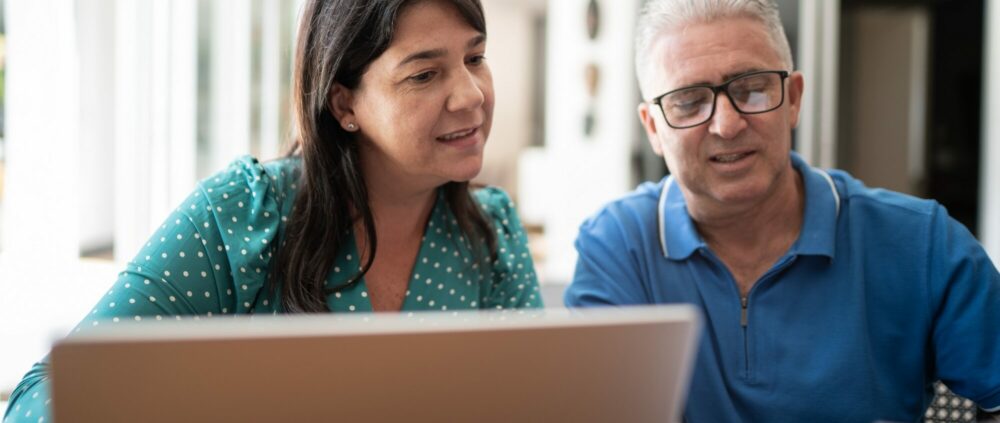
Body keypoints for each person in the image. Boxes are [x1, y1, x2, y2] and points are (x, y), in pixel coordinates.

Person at [4, 0, 542, 421]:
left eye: (475, 58)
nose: (471, 95)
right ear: (344, 104)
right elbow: (42, 397)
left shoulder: (491, 233)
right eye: (424, 75)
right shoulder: (242, 213)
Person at [564, 0, 1000, 421]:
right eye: (689, 101)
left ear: (792, 98)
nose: (726, 124)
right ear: (654, 128)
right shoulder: (618, 246)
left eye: (751, 89)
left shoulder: (921, 243)